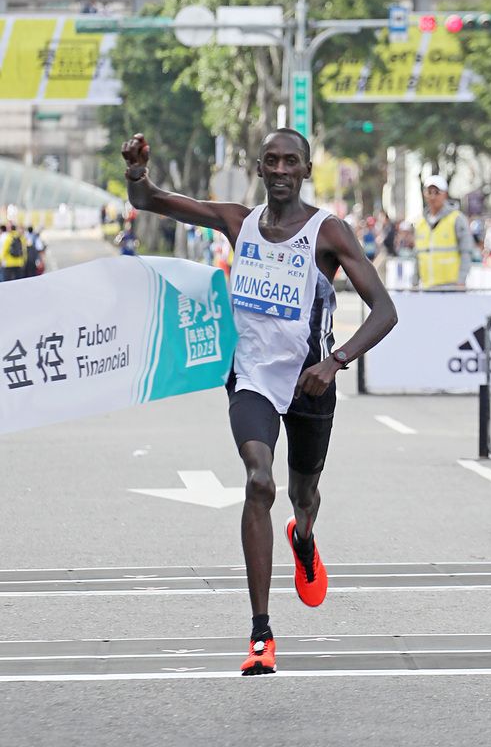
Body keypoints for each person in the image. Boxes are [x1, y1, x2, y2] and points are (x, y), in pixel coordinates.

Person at [122, 128, 398, 675]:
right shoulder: (237, 222)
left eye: (289, 161)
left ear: (305, 170)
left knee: (303, 493)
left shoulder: (329, 232)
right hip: (250, 378)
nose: (279, 169)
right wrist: (136, 172)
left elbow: (385, 310)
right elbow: (149, 201)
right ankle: (261, 634)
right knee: (258, 481)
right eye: (270, 160)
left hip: (310, 383)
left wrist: (334, 361)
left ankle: (305, 534)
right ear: (258, 167)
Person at [413, 175, 473, 290]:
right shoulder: (420, 222)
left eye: (436, 192)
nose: (432, 196)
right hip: (426, 287)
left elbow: (466, 251)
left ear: (445, 194)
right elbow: (418, 255)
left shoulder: (456, 219)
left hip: (451, 287)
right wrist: (414, 282)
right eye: (429, 192)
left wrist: (461, 280)